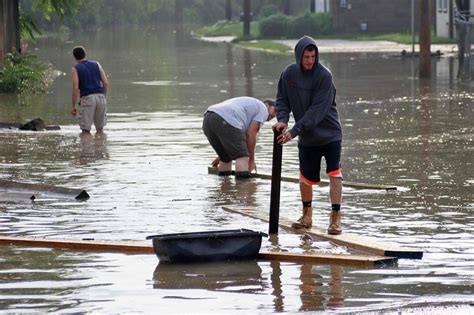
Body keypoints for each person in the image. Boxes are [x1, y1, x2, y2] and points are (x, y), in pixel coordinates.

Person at [273, 36, 343, 235]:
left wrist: (293, 131)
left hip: (330, 133)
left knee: (334, 173)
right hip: (307, 136)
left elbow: (315, 112)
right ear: (298, 56)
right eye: (306, 57)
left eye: (313, 56)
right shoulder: (289, 74)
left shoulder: (324, 76)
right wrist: (283, 120)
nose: (310, 61)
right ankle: (307, 216)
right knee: (305, 177)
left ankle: (335, 219)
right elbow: (282, 99)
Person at [203, 96, 277, 178]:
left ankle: (225, 188)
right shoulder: (263, 108)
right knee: (242, 157)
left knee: (225, 158)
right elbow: (251, 134)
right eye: (275, 110)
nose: (274, 116)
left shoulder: (249, 110)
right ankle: (243, 188)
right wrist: (251, 160)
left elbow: (236, 139)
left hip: (208, 118)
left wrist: (221, 155)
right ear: (267, 105)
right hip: (226, 119)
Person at [71, 46, 109, 134]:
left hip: (88, 99)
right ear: (85, 54)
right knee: (100, 130)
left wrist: (73, 106)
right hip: (101, 97)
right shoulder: (97, 64)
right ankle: (100, 147)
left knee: (85, 130)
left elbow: (76, 88)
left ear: (74, 57)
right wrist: (104, 97)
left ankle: (86, 147)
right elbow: (106, 83)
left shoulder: (75, 68)